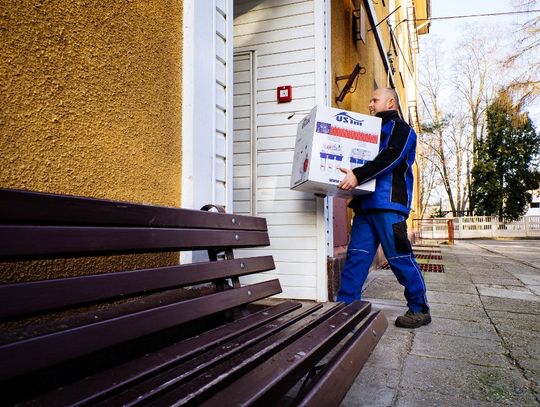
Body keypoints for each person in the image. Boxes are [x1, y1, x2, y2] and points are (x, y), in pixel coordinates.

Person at [337, 87, 431, 329]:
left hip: (389, 206)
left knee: (400, 257)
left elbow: (392, 156)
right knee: (356, 258)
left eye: (374, 99)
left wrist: (357, 175)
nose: (370, 104)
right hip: (365, 206)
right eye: (370, 99)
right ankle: (345, 308)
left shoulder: (402, 129)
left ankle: (419, 309)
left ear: (391, 103)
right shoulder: (369, 132)